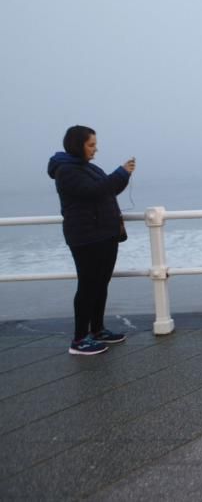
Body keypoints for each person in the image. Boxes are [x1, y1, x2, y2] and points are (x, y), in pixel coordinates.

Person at [47, 126, 136, 355]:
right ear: (78, 145)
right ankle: (78, 340)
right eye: (91, 145)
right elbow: (93, 191)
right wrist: (120, 172)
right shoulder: (66, 170)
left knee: (100, 284)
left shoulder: (87, 167)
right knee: (88, 286)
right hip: (86, 238)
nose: (95, 149)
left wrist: (124, 176)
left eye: (95, 144)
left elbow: (108, 190)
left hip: (105, 234)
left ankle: (97, 330)